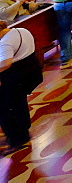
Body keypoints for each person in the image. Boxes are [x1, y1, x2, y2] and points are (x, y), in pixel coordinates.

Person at [0, 17, 41, 156]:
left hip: (17, 76)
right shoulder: (21, 30)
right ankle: (23, 131)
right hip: (32, 71)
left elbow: (6, 63)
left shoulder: (5, 43)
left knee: (4, 108)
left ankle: (17, 139)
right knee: (18, 102)